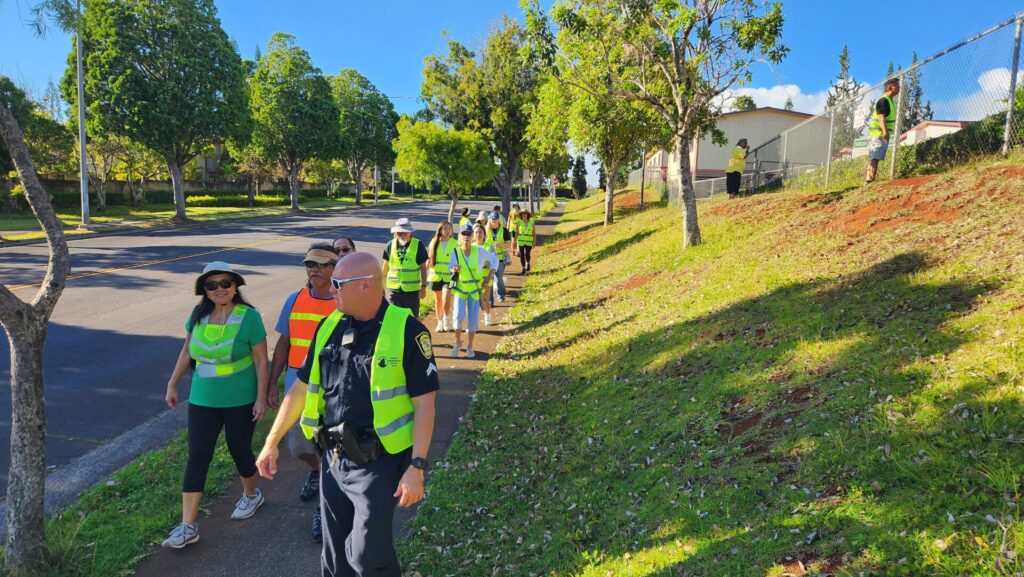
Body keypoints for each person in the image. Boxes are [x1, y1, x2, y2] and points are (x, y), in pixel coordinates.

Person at [256, 252, 438, 577]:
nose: (331, 288)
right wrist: (272, 441)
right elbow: (300, 387)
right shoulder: (329, 326)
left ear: (366, 285)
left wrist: (417, 467)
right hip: (333, 459)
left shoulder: (407, 330)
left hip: (379, 463)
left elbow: (425, 403)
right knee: (335, 556)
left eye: (338, 283)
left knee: (368, 555)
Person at [163, 262, 269, 549]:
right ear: (205, 291)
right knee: (197, 455)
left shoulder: (249, 317)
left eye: (226, 283)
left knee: (239, 448)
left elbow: (261, 360)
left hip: (240, 397)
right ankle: (187, 526)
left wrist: (261, 398)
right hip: (203, 398)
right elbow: (187, 351)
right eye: (212, 285)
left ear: (235, 286)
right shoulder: (197, 316)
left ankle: (251, 495)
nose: (220, 289)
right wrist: (173, 383)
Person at [267, 243, 339, 543]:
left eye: (322, 265)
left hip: (334, 387)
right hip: (298, 388)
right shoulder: (294, 299)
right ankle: (319, 473)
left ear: (335, 268)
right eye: (310, 264)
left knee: (333, 449)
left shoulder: (343, 300)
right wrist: (271, 383)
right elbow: (284, 343)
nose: (314, 270)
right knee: (299, 446)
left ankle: (326, 506)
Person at [449, 223, 489, 357]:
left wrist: (488, 277)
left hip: (474, 291)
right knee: (458, 317)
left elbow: (493, 261)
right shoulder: (455, 251)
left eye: (468, 234)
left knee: (472, 320)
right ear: (460, 237)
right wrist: (453, 270)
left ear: (472, 237)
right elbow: (451, 268)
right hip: (460, 290)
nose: (466, 237)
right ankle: (457, 343)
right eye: (463, 234)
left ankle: (470, 347)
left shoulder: (479, 251)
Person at [381, 217, 428, 317]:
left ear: (410, 232)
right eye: (399, 232)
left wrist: (423, 287)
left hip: (412, 291)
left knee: (412, 318)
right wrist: (381, 287)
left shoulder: (418, 245)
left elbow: (423, 268)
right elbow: (385, 267)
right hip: (393, 290)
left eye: (404, 232)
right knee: (394, 316)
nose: (401, 235)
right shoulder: (390, 245)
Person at [865, 77, 901, 183]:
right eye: (897, 86)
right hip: (878, 134)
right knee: (874, 157)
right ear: (890, 87)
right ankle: (869, 179)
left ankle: (870, 179)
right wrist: (885, 131)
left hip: (880, 134)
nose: (899, 88)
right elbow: (881, 117)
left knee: (876, 157)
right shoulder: (883, 101)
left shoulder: (889, 101)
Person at [426, 221, 457, 332]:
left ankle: (446, 319)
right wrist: (424, 274)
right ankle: (440, 322)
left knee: (446, 297)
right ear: (440, 230)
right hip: (435, 276)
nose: (447, 230)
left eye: (449, 228)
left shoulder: (455, 243)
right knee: (438, 300)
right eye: (445, 228)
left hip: (450, 277)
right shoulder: (434, 242)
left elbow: (459, 259)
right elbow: (429, 259)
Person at [472, 223, 499, 327]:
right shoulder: (471, 246)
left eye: (480, 232)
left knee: (485, 298)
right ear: (474, 234)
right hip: (473, 279)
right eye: (476, 232)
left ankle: (487, 315)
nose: (478, 234)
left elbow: (494, 261)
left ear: (484, 234)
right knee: (474, 300)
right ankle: (474, 320)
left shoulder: (489, 246)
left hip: (486, 278)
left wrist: (489, 276)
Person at [484, 211, 511, 304]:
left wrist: (500, 244)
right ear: (489, 220)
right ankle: (490, 300)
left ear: (498, 220)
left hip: (500, 259)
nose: (493, 221)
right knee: (489, 278)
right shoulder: (485, 230)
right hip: (488, 259)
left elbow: (508, 244)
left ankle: (501, 295)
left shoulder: (504, 230)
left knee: (498, 278)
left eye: (495, 219)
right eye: (492, 219)